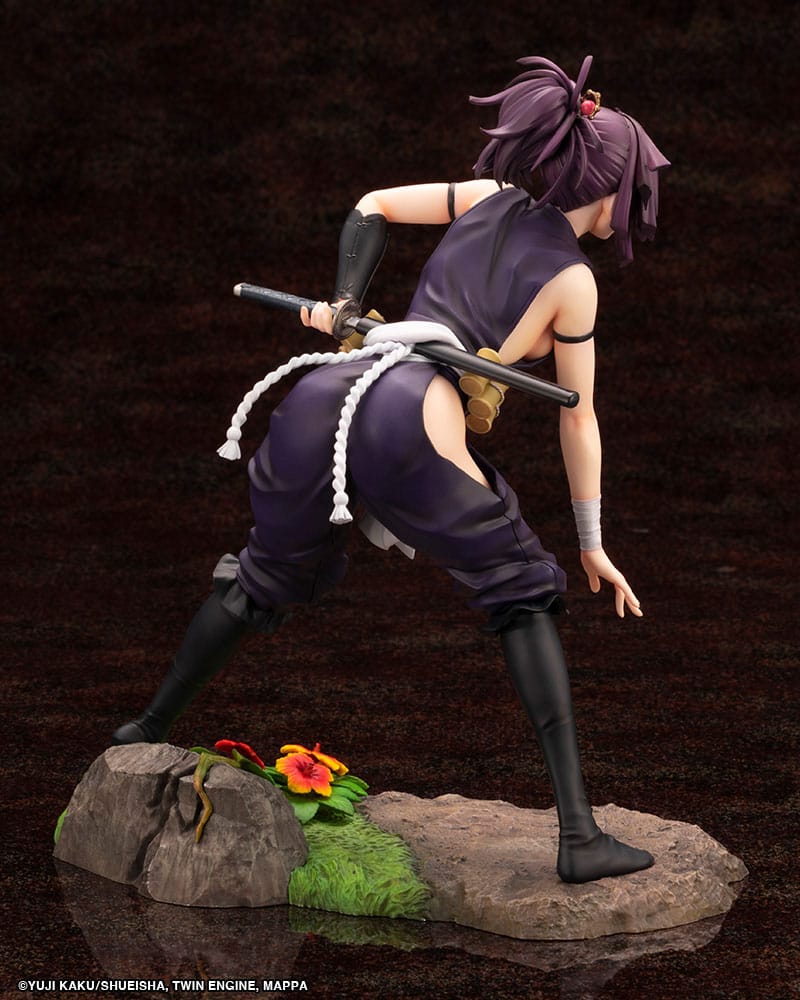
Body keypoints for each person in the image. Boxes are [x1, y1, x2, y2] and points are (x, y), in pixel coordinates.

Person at [112, 55, 669, 884]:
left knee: (259, 580)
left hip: (331, 391)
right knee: (522, 593)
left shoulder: (484, 195)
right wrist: (590, 541)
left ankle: (145, 727)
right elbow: (577, 415)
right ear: (615, 192)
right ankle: (580, 837)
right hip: (414, 411)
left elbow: (372, 204)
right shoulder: (573, 282)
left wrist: (345, 299)